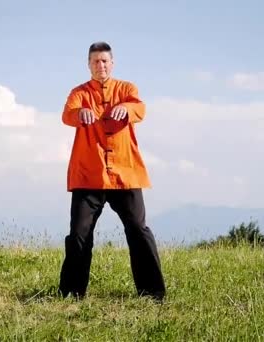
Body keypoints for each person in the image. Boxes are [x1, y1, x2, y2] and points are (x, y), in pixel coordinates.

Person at [58, 41, 166, 301]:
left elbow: (139, 108)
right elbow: (67, 114)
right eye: (95, 61)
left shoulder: (127, 89)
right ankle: (72, 294)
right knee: (79, 235)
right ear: (88, 65)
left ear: (112, 63)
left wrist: (125, 108)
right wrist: (80, 112)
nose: (100, 65)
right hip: (89, 176)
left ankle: (153, 293)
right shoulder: (79, 93)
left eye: (105, 61)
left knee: (138, 231)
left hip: (125, 175)